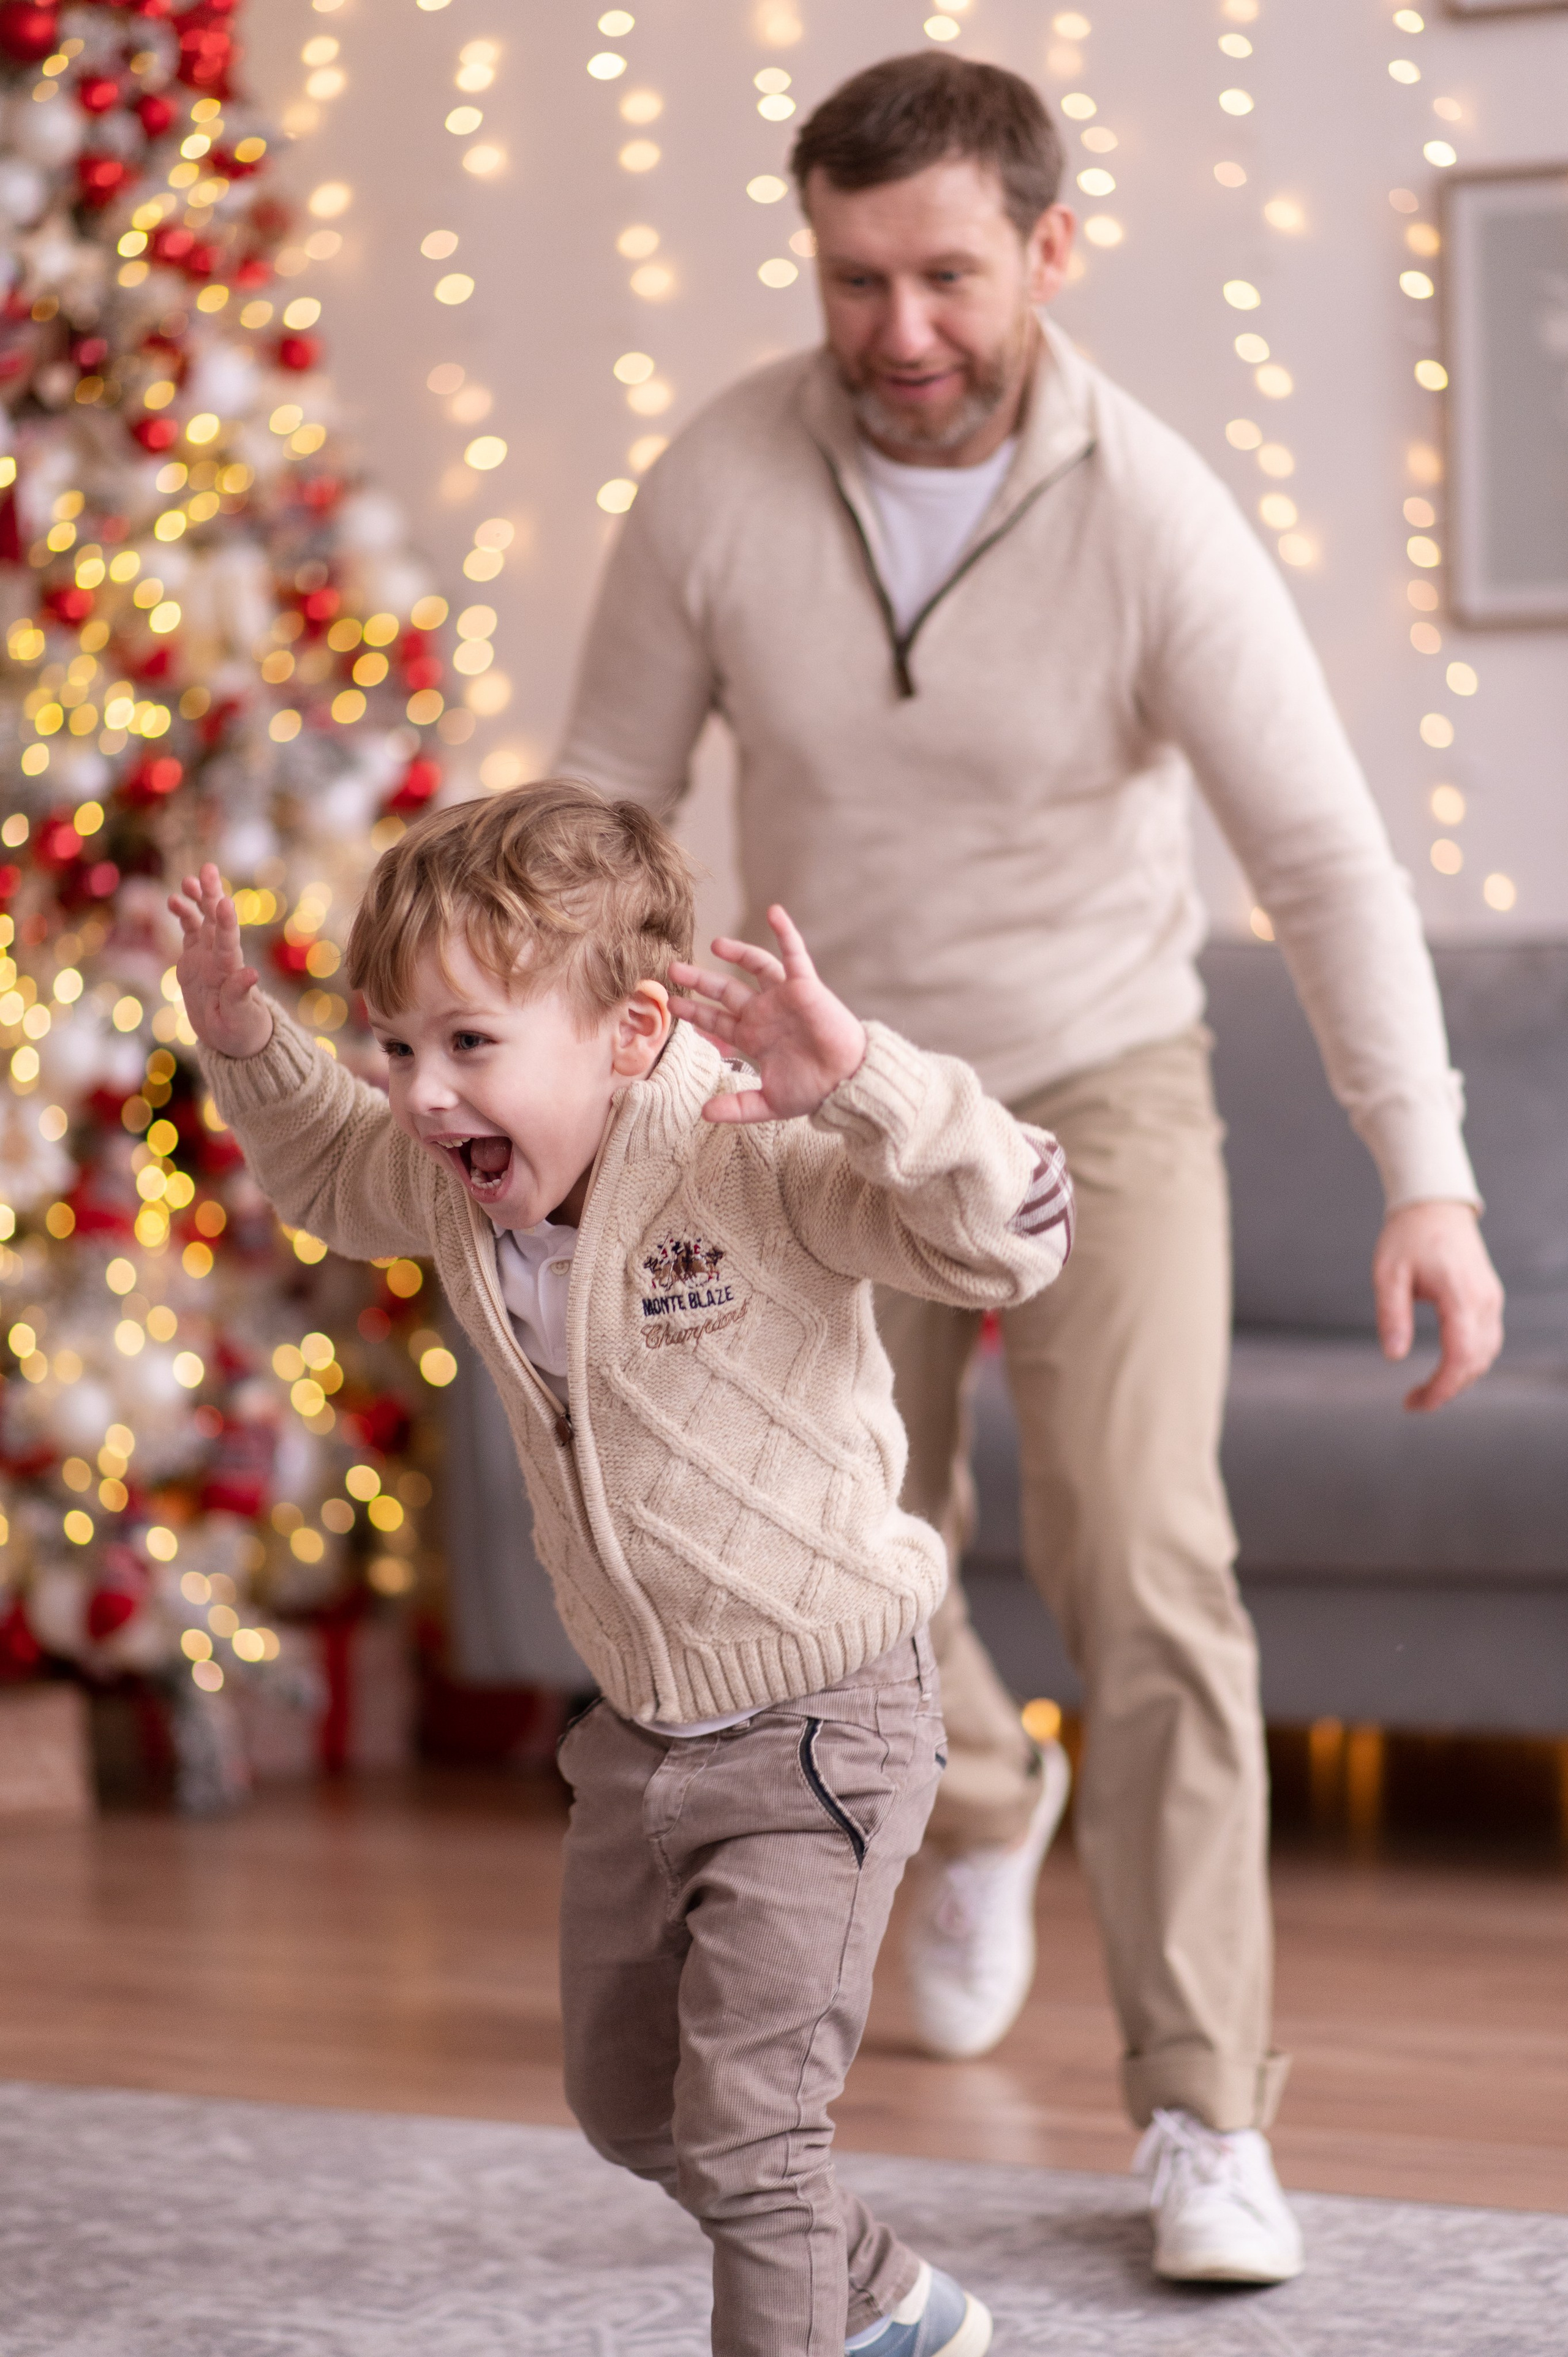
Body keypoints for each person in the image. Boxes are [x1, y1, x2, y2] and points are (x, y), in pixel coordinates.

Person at [557, 51, 1506, 2287]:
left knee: (1146, 1558)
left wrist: (1430, 1173)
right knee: (800, 1552)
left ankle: (1206, 2110)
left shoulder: (1153, 512)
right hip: (806, 1096)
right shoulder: (717, 482)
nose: (898, 330)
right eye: (853, 278)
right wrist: (563, 1091)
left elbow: (1325, 863)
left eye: (948, 277)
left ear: (1050, 253)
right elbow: (603, 806)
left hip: (1095, 1086)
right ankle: (983, 1793)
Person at [168, 780, 1074, 2357]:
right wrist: (245, 1035)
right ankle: (887, 2306)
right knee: (629, 2104)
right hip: (641, 1733)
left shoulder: (755, 1147)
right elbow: (327, 1169)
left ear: (631, 1032)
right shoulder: (462, 1179)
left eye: (469, 1043)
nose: (421, 1091)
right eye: (397, 1044)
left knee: (751, 2138)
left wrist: (863, 1081)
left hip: (825, 1724)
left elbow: (1008, 1231)